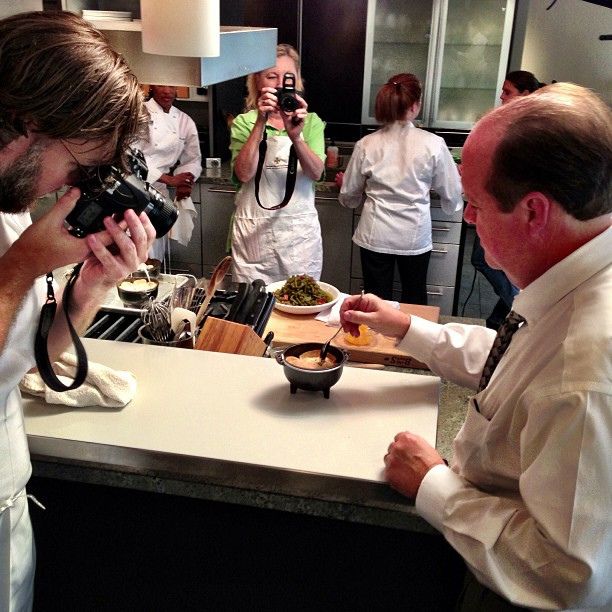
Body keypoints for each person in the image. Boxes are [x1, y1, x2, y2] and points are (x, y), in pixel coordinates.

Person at [340, 83, 611, 610]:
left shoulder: (588, 365)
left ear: (534, 212)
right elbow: (517, 364)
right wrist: (405, 327)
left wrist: (435, 484)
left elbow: (569, 577)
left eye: (476, 204)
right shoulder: (571, 282)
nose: (467, 217)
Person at [0, 12, 156, 609]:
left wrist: (87, 289)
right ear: (27, 124)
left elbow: (28, 357)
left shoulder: (13, 207)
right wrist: (21, 266)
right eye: (82, 167)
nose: (74, 188)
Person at [336, 73, 462, 304]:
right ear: (415, 106)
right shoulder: (433, 144)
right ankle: (413, 340)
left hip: (376, 234)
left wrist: (351, 191)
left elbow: (348, 196)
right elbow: (452, 194)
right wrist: (449, 205)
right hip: (414, 235)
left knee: (375, 300)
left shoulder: (366, 144)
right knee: (414, 297)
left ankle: (373, 339)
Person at [229, 43, 326, 285]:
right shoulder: (245, 122)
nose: (279, 83)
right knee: (252, 310)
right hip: (255, 239)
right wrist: (260, 123)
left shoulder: (311, 122)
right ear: (257, 82)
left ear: (297, 81)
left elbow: (316, 173)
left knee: (299, 305)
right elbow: (243, 173)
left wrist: (297, 137)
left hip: (299, 241)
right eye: (271, 76)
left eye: (287, 77)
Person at [472, 70, 545, 328]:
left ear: (526, 95)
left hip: (510, 210)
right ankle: (501, 321)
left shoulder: (530, 131)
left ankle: (516, 302)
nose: (501, 97)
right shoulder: (513, 126)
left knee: (484, 260)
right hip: (508, 207)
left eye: (507, 92)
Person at [138, 84, 202, 263]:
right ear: (151, 87)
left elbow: (193, 158)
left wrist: (185, 180)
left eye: (171, 86)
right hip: (134, 191)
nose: (167, 91)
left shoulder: (184, 121)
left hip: (160, 196)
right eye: (161, 86)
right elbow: (129, 157)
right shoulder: (138, 114)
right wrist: (170, 179)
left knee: (156, 253)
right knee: (138, 254)